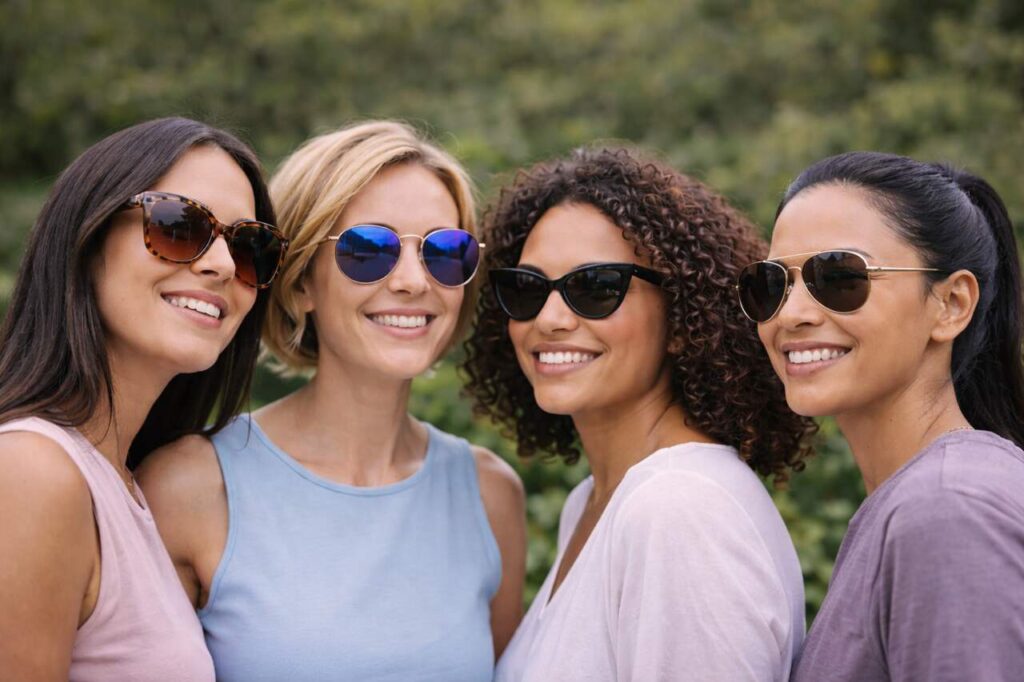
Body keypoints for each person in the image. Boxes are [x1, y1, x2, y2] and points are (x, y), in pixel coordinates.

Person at [137, 120, 526, 682]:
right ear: (300, 284)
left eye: (446, 252)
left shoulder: (492, 496)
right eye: (369, 249)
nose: (416, 281)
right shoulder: (189, 487)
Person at [463, 147, 816, 681]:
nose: (551, 318)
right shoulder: (593, 501)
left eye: (596, 287)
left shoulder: (678, 509)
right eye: (527, 288)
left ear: (681, 318)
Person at [0, 117, 286, 680]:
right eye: (180, 225)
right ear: (87, 237)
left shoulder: (122, 484)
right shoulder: (31, 472)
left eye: (249, 247)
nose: (223, 265)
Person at [736, 151, 1024, 680]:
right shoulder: (919, 500)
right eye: (772, 284)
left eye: (840, 277)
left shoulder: (947, 509)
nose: (792, 314)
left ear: (951, 304)